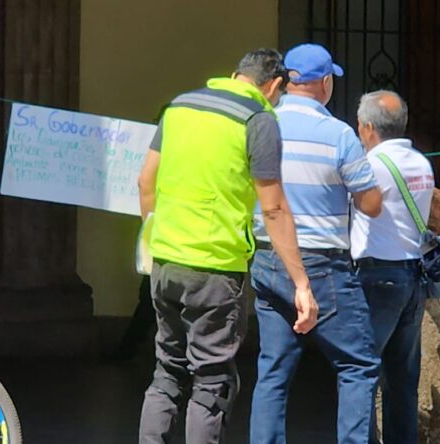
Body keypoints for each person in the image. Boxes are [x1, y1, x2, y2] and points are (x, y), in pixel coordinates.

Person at [137, 48, 318, 444]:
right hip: (215, 269)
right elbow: (272, 207)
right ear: (273, 86)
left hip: (165, 260)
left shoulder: (180, 106)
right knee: (212, 380)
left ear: (236, 75)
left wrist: (157, 238)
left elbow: (145, 182)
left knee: (167, 371)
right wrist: (301, 282)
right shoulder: (258, 119)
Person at [249, 43, 383, 444]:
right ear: (325, 83)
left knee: (272, 370)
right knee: (358, 363)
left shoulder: (261, 124)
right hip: (321, 266)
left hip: (268, 259)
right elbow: (372, 204)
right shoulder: (339, 135)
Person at [350, 91, 435, 444]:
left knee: (360, 374)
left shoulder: (371, 165)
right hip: (413, 277)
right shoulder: (421, 163)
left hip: (376, 276)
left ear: (368, 128)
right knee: (402, 381)